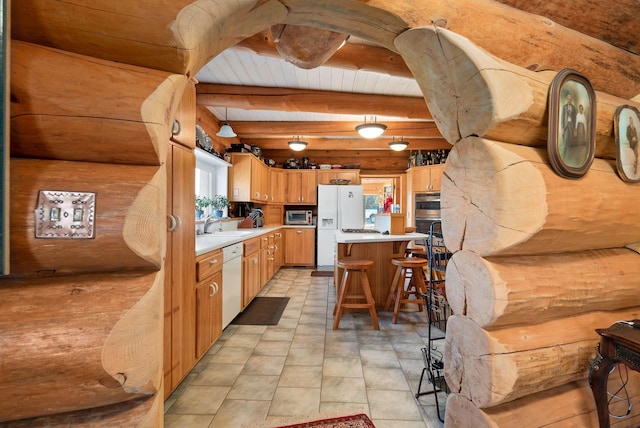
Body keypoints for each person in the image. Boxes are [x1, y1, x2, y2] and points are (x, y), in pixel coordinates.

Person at [561, 93, 577, 157]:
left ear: (571, 100)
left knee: (570, 139)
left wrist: (574, 128)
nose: (569, 100)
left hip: (571, 126)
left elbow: (575, 119)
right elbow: (562, 117)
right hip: (565, 125)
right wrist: (562, 127)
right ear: (566, 100)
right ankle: (564, 154)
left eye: (570, 99)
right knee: (565, 139)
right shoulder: (564, 107)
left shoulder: (573, 108)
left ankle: (569, 155)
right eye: (568, 99)